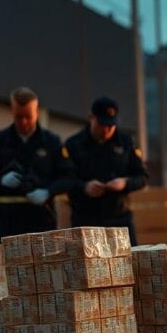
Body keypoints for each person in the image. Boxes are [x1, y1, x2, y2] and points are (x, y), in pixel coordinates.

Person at [0, 87, 73, 240]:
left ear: (37, 112)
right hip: (8, 222)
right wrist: (0, 180)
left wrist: (48, 191)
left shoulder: (51, 142)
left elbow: (68, 177)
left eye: (28, 116)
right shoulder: (0, 140)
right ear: (12, 112)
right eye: (18, 117)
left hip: (42, 220)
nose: (23, 122)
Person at [64, 97, 148, 245]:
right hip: (86, 220)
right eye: (102, 125)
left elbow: (142, 177)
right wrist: (84, 187)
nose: (107, 130)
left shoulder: (126, 142)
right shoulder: (74, 144)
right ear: (91, 118)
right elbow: (64, 180)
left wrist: (125, 183)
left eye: (111, 125)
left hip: (119, 219)